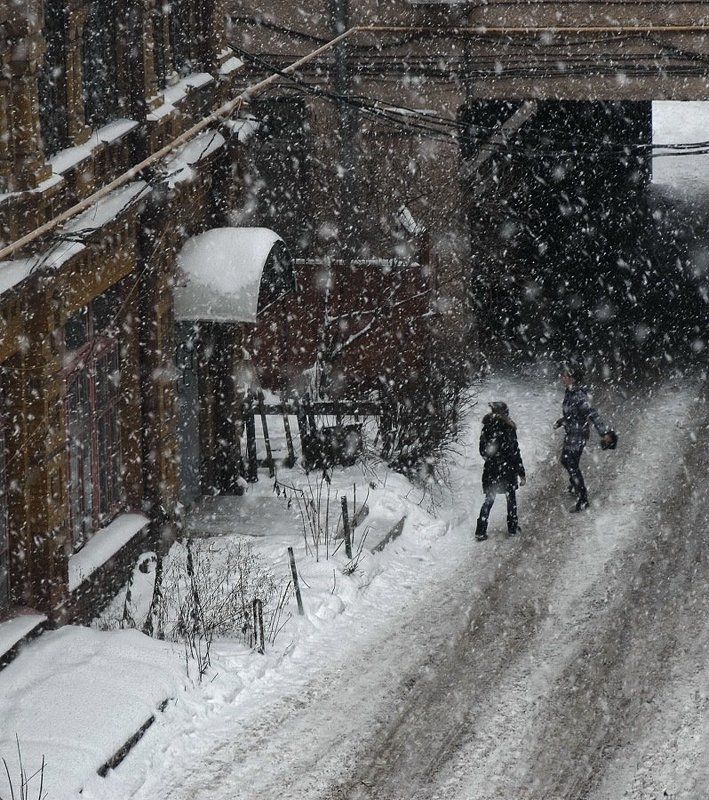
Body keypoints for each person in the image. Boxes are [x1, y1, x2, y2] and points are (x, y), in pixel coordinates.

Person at [555, 363, 615, 512]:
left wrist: (604, 433)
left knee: (571, 465)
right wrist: (562, 421)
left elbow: (592, 414)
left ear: (573, 379)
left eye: (566, 375)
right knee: (566, 461)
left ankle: (583, 499)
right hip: (572, 433)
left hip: (578, 435)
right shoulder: (569, 393)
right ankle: (576, 484)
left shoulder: (579, 396)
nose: (562, 377)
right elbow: (571, 414)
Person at [475, 401, 526, 542]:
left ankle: (481, 529)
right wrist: (520, 471)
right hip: (507, 470)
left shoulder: (486, 428)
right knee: (511, 499)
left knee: (489, 500)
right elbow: (514, 452)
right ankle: (512, 527)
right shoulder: (509, 428)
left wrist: (492, 459)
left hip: (491, 469)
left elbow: (482, 451)